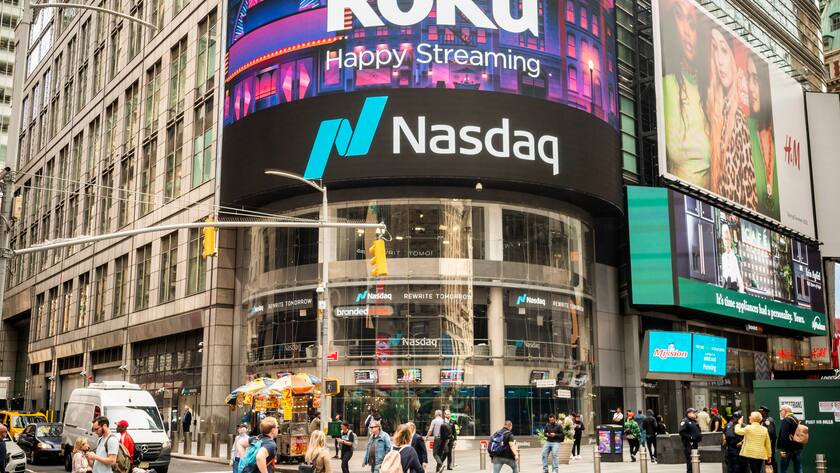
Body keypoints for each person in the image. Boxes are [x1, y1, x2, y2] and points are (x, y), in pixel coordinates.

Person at [706, 27, 758, 209]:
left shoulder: (739, 120)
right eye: (714, 49)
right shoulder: (710, 106)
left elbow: (749, 198)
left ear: (735, 60)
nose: (719, 61)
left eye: (724, 51)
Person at [661, 0, 710, 188]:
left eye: (692, 24)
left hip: (710, 200)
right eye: (679, 18)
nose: (688, 33)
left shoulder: (707, 89)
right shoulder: (669, 84)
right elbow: (676, 150)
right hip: (679, 195)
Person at [745, 56, 779, 218]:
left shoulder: (783, 139)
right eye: (748, 79)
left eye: (756, 79)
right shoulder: (744, 128)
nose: (750, 87)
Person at [777, 404, 803, 473]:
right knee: (798, 467)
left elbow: (784, 435)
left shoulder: (786, 420)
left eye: (781, 410)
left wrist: (783, 449)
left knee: (783, 468)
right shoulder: (795, 419)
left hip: (787, 449)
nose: (780, 412)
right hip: (797, 447)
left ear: (785, 411)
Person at [720, 225, 745, 292]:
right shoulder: (723, 256)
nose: (727, 242)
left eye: (728, 239)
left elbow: (738, 273)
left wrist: (741, 288)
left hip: (733, 286)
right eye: (725, 239)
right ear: (723, 240)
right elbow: (723, 272)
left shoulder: (734, 257)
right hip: (725, 286)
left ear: (730, 240)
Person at [679, 408, 702, 473]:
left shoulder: (694, 421)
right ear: (689, 413)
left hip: (695, 443)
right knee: (690, 460)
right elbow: (681, 432)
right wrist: (691, 438)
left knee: (695, 460)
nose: (695, 414)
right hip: (689, 444)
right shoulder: (685, 421)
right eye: (693, 413)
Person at [759, 406, 777, 473]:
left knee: (769, 463)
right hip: (766, 446)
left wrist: (767, 445)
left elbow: (770, 434)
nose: (760, 412)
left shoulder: (768, 421)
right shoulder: (763, 420)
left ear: (764, 412)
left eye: (761, 411)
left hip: (769, 446)